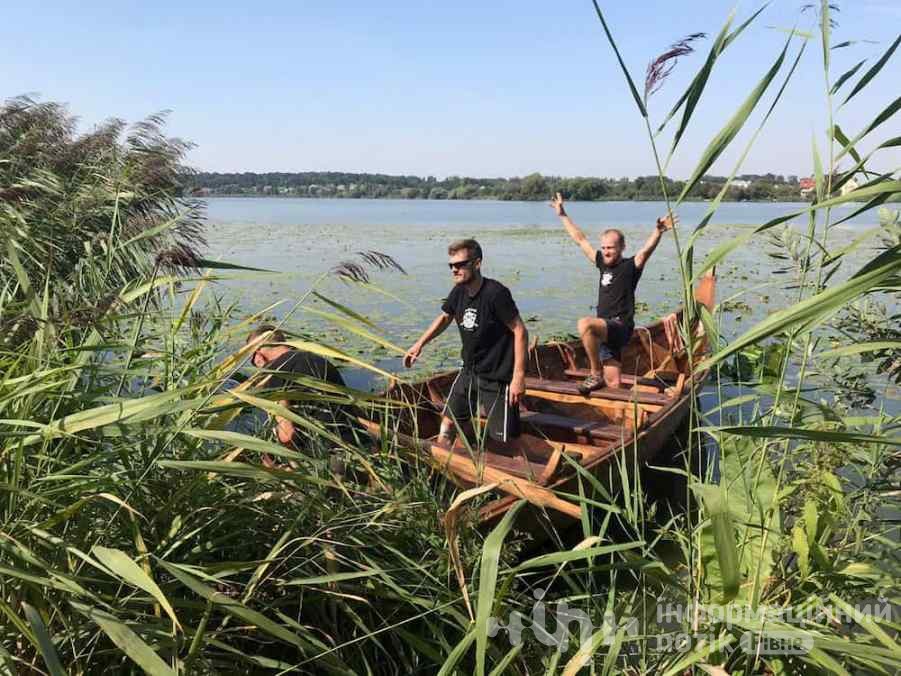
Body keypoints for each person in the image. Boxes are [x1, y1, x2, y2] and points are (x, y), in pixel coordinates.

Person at [403, 239, 528, 446]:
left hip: (497, 377)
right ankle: (444, 463)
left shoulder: (495, 294)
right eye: (451, 265)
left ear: (476, 263)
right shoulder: (459, 290)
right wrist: (419, 344)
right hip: (470, 371)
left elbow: (520, 331)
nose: (454, 270)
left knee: (504, 441)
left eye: (460, 264)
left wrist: (519, 377)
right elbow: (444, 317)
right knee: (448, 424)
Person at [550, 192, 675, 394]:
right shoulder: (601, 263)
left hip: (620, 326)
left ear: (622, 247)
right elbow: (580, 240)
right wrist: (562, 214)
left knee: (585, 324)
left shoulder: (630, 266)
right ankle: (621, 417)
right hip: (605, 331)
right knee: (613, 385)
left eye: (611, 248)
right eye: (604, 248)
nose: (606, 251)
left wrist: (658, 232)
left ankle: (594, 372)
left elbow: (645, 251)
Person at [246, 324, 350, 467]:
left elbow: (287, 435)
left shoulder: (275, 373)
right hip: (356, 444)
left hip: (328, 458)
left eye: (251, 357)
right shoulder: (318, 359)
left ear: (258, 353)